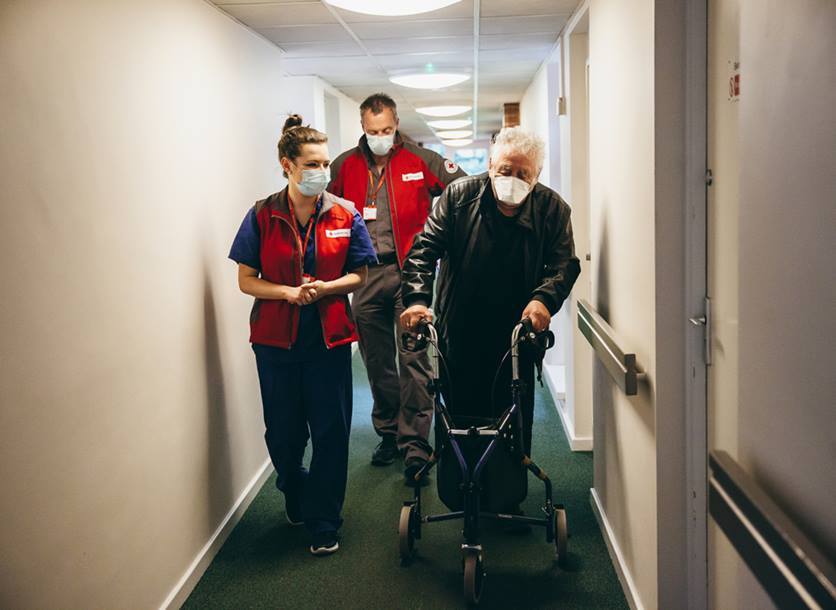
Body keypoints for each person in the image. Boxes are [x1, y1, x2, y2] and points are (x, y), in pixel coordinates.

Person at [228, 115, 377, 556]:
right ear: (286, 165)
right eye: (312, 163)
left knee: (331, 433)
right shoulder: (262, 214)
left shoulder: (344, 213)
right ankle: (296, 489)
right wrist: (287, 293)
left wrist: (324, 288)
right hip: (275, 344)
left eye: (326, 163)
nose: (321, 172)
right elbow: (246, 280)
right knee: (284, 435)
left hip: (328, 342)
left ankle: (325, 522)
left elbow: (359, 274)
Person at [400, 126, 581, 468]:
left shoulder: (553, 210)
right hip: (461, 326)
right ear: (490, 166)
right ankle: (462, 486)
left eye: (522, 174)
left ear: (537, 175)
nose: (512, 179)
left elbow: (564, 264)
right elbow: (423, 251)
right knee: (460, 416)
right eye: (504, 171)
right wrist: (417, 300)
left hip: (517, 333)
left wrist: (544, 299)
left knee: (512, 416)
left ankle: (507, 494)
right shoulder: (458, 197)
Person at [328, 93, 467, 483]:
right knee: (376, 361)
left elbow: (461, 189)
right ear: (363, 128)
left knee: (414, 361)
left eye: (387, 130)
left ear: (396, 124)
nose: (381, 137)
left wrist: (441, 239)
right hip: (365, 276)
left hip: (412, 276)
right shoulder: (345, 166)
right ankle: (389, 431)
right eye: (374, 132)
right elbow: (321, 204)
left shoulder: (420, 161)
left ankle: (415, 447)